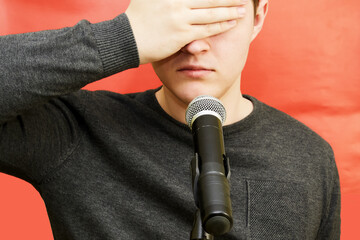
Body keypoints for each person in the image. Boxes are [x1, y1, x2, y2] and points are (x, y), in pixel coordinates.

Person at [0, 0, 340, 239]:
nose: (194, 44)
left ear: (257, 16)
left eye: (216, 17)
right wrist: (122, 38)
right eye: (176, 18)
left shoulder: (309, 158)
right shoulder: (75, 132)